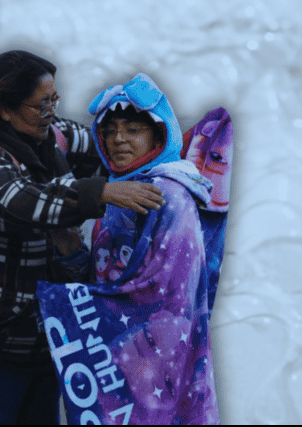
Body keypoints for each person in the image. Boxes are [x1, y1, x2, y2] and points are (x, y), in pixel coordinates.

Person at [0, 52, 165, 425]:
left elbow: (108, 149)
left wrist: (161, 147)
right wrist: (101, 192)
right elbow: (20, 202)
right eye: (40, 104)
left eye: (54, 100)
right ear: (5, 110)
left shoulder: (52, 135)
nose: (51, 111)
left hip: (37, 337)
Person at [35, 73, 220, 424]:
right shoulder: (122, 190)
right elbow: (103, 273)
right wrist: (71, 250)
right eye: (109, 130)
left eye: (133, 130)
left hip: (149, 363)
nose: (119, 139)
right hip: (113, 358)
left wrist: (68, 304)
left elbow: (164, 292)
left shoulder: (168, 194)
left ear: (159, 135)